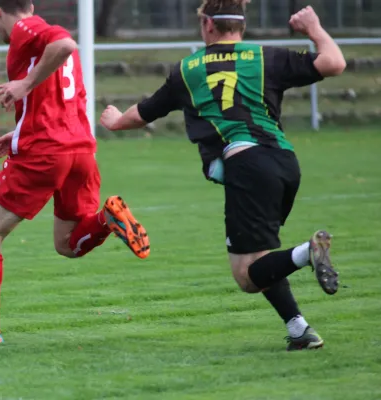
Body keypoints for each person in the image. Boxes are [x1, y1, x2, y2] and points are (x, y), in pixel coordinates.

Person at [100, 1, 345, 351]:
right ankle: (299, 330)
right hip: (285, 162)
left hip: (247, 166)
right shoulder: (265, 57)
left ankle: (309, 252)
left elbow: (142, 114)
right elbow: (334, 62)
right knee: (260, 257)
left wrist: (113, 120)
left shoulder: (188, 70)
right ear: (241, 26)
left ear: (208, 25)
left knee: (247, 276)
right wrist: (314, 28)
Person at [0, 0, 150, 344]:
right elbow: (56, 100)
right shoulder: (41, 49)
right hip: (80, 149)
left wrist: (24, 84)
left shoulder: (25, 29)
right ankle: (108, 218)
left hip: (45, 152)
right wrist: (17, 131)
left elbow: (65, 42)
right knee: (67, 245)